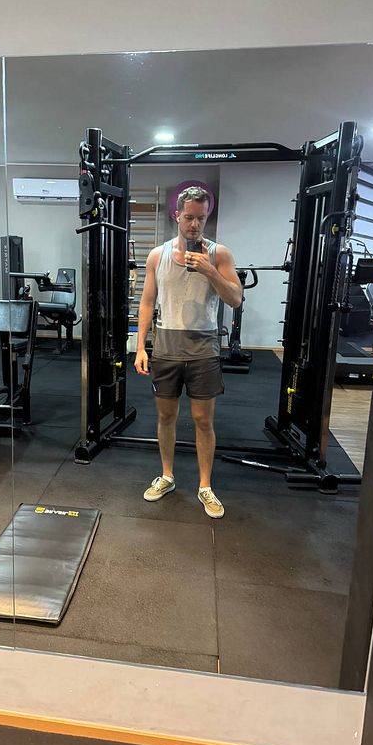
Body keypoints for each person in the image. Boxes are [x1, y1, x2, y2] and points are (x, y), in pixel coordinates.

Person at [134, 186, 242, 518]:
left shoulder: (219, 254)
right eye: (189, 217)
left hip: (203, 349)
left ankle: (205, 486)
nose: (195, 224)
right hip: (166, 347)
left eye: (201, 218)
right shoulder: (157, 255)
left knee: (202, 420)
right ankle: (167, 476)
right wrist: (140, 346)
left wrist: (209, 270)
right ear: (177, 215)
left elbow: (235, 298)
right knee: (166, 416)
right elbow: (148, 301)